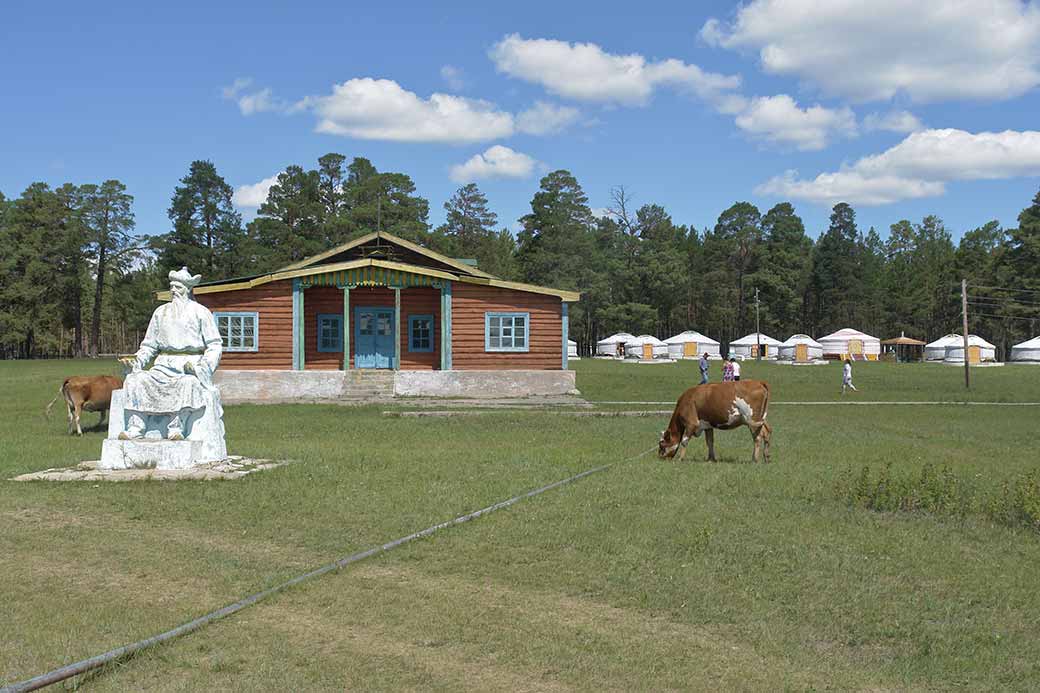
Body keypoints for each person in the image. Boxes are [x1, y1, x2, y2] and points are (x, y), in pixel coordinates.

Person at [119, 267, 223, 440]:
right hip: (162, 365)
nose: (174, 290)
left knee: (187, 384)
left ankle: (176, 427)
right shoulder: (160, 313)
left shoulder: (201, 312)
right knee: (135, 380)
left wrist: (203, 367)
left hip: (189, 366)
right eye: (172, 287)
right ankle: (136, 426)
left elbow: (215, 344)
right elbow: (149, 345)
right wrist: (136, 361)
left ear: (188, 289)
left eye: (178, 287)